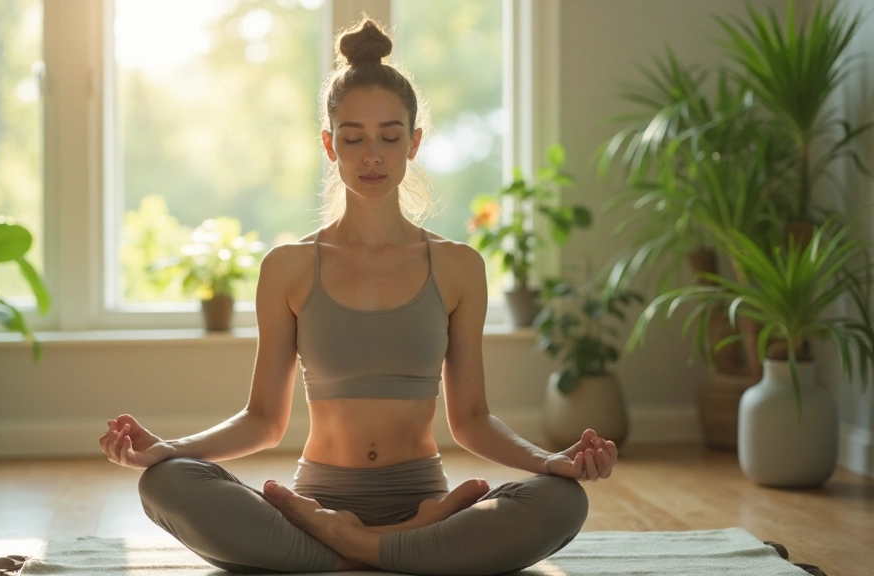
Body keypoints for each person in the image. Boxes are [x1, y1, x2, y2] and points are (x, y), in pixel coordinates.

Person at [99, 18, 617, 576]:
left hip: (418, 498)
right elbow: (263, 421)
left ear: (414, 142)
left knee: (563, 500)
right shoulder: (289, 268)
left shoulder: (458, 267)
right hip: (317, 500)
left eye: (391, 136)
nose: (372, 155)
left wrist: (552, 462)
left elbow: (470, 419)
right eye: (353, 138)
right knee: (166, 483)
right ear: (329, 144)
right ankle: (400, 548)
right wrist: (169, 450)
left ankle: (342, 549)